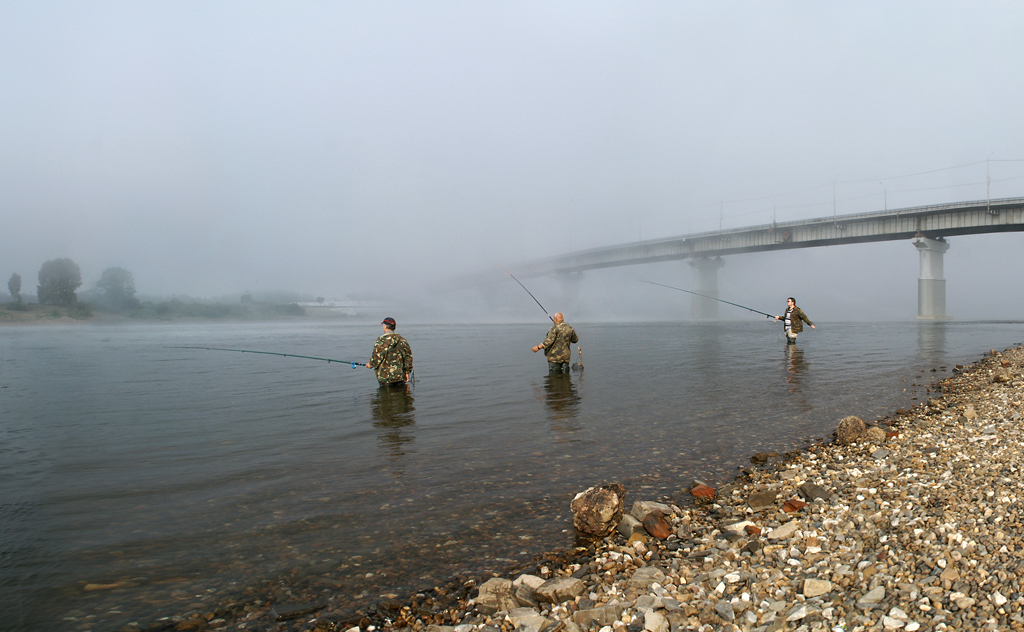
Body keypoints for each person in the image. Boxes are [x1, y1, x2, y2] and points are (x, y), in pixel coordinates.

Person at [365, 317, 413, 386]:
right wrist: (407, 372)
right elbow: (408, 357)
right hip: (400, 376)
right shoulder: (402, 340)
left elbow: (377, 358)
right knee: (401, 395)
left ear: (385, 326)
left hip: (385, 378)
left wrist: (370, 364)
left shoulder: (381, 340)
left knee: (385, 396)